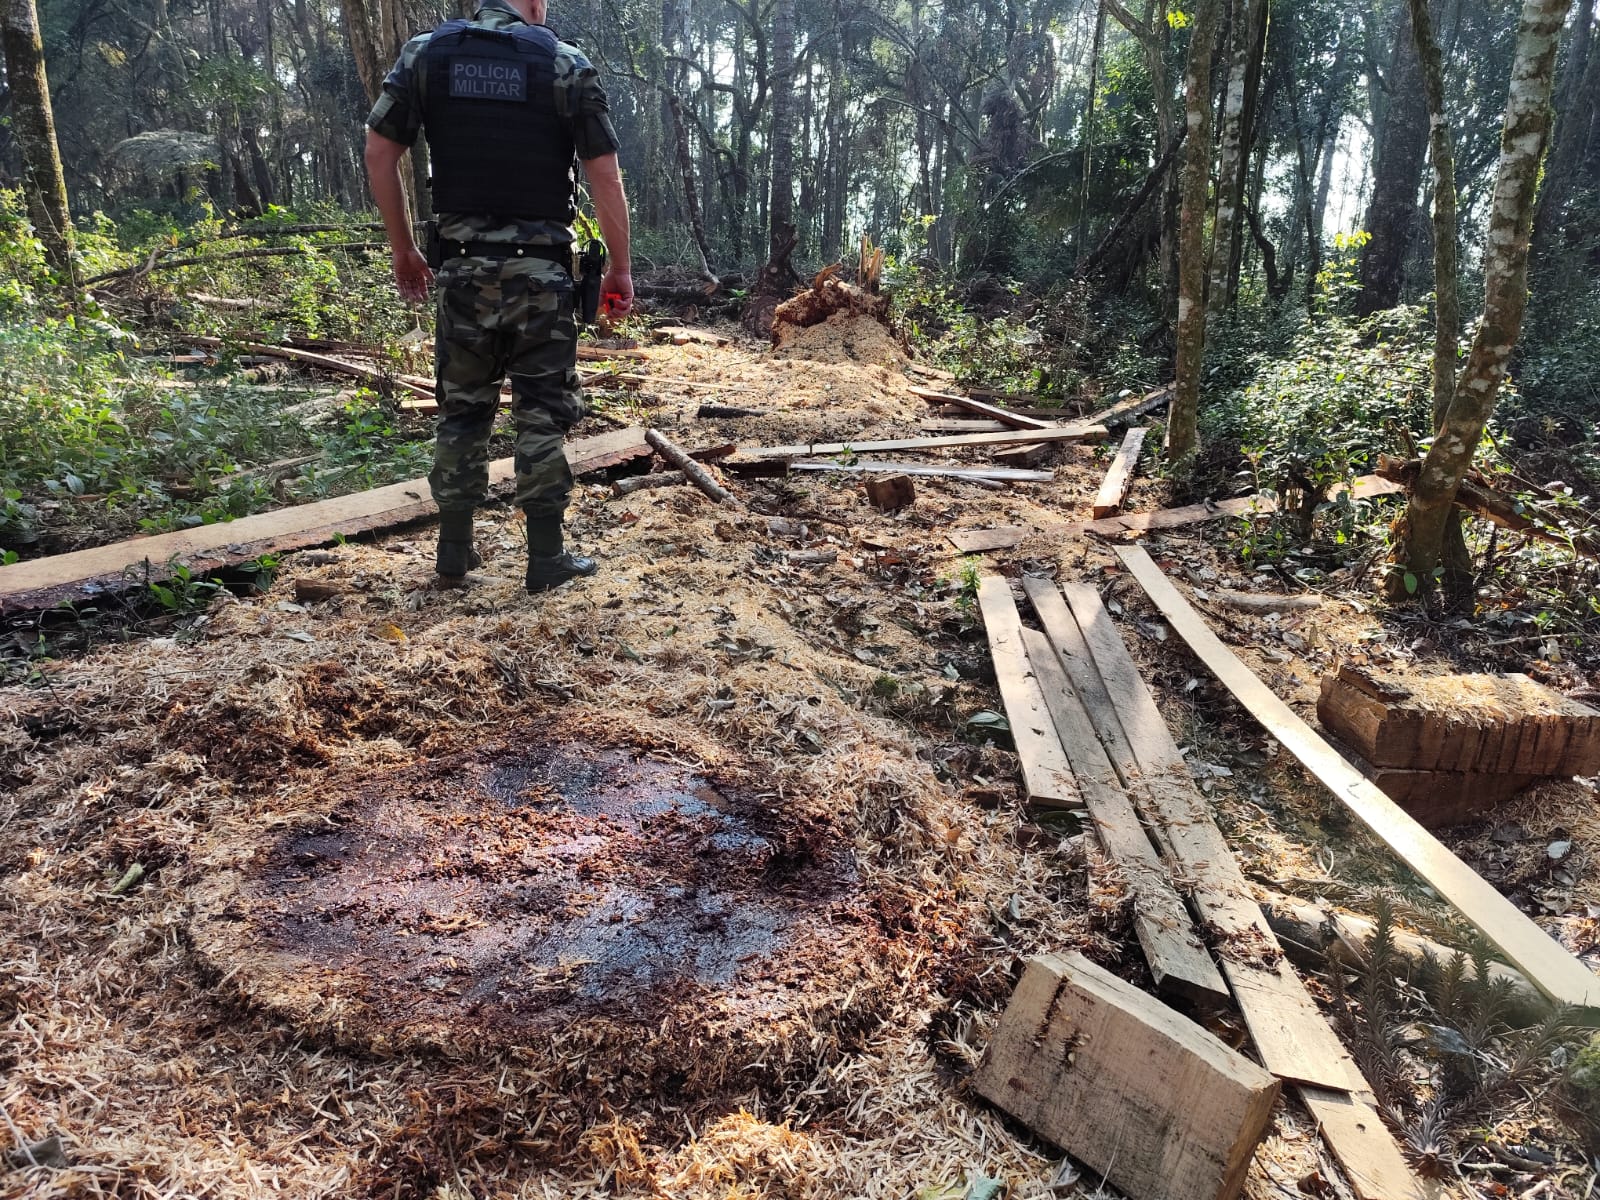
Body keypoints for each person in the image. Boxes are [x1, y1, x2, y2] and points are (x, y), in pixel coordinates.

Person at [363, 0, 633, 592]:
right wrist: (619, 267)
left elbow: (380, 153)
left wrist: (403, 249)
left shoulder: (427, 55)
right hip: (541, 278)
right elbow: (604, 174)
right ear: (535, 2)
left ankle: (454, 554)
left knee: (461, 412)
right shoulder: (564, 63)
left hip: (460, 274)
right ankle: (545, 559)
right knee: (541, 412)